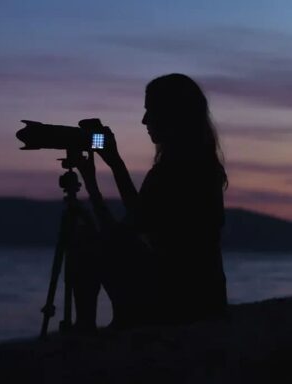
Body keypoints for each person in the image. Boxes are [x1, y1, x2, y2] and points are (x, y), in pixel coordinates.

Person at [70, 73, 228, 331]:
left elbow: (127, 228)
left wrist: (103, 176)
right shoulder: (201, 165)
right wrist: (103, 174)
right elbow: (136, 220)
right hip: (207, 297)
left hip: (178, 299)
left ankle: (85, 328)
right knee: (96, 242)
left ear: (172, 114)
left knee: (83, 243)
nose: (144, 120)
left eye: (150, 111)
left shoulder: (175, 169)